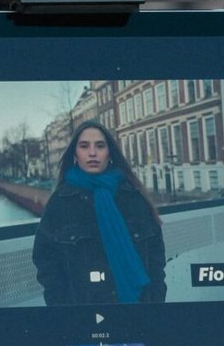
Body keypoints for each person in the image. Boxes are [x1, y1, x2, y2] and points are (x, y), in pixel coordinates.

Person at [32, 120, 167, 305]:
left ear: (109, 153)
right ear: (75, 154)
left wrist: (156, 298)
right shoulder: (60, 203)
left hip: (138, 313)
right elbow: (46, 260)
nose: (92, 153)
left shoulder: (133, 198)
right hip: (83, 318)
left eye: (100, 146)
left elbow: (155, 256)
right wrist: (61, 307)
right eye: (84, 146)